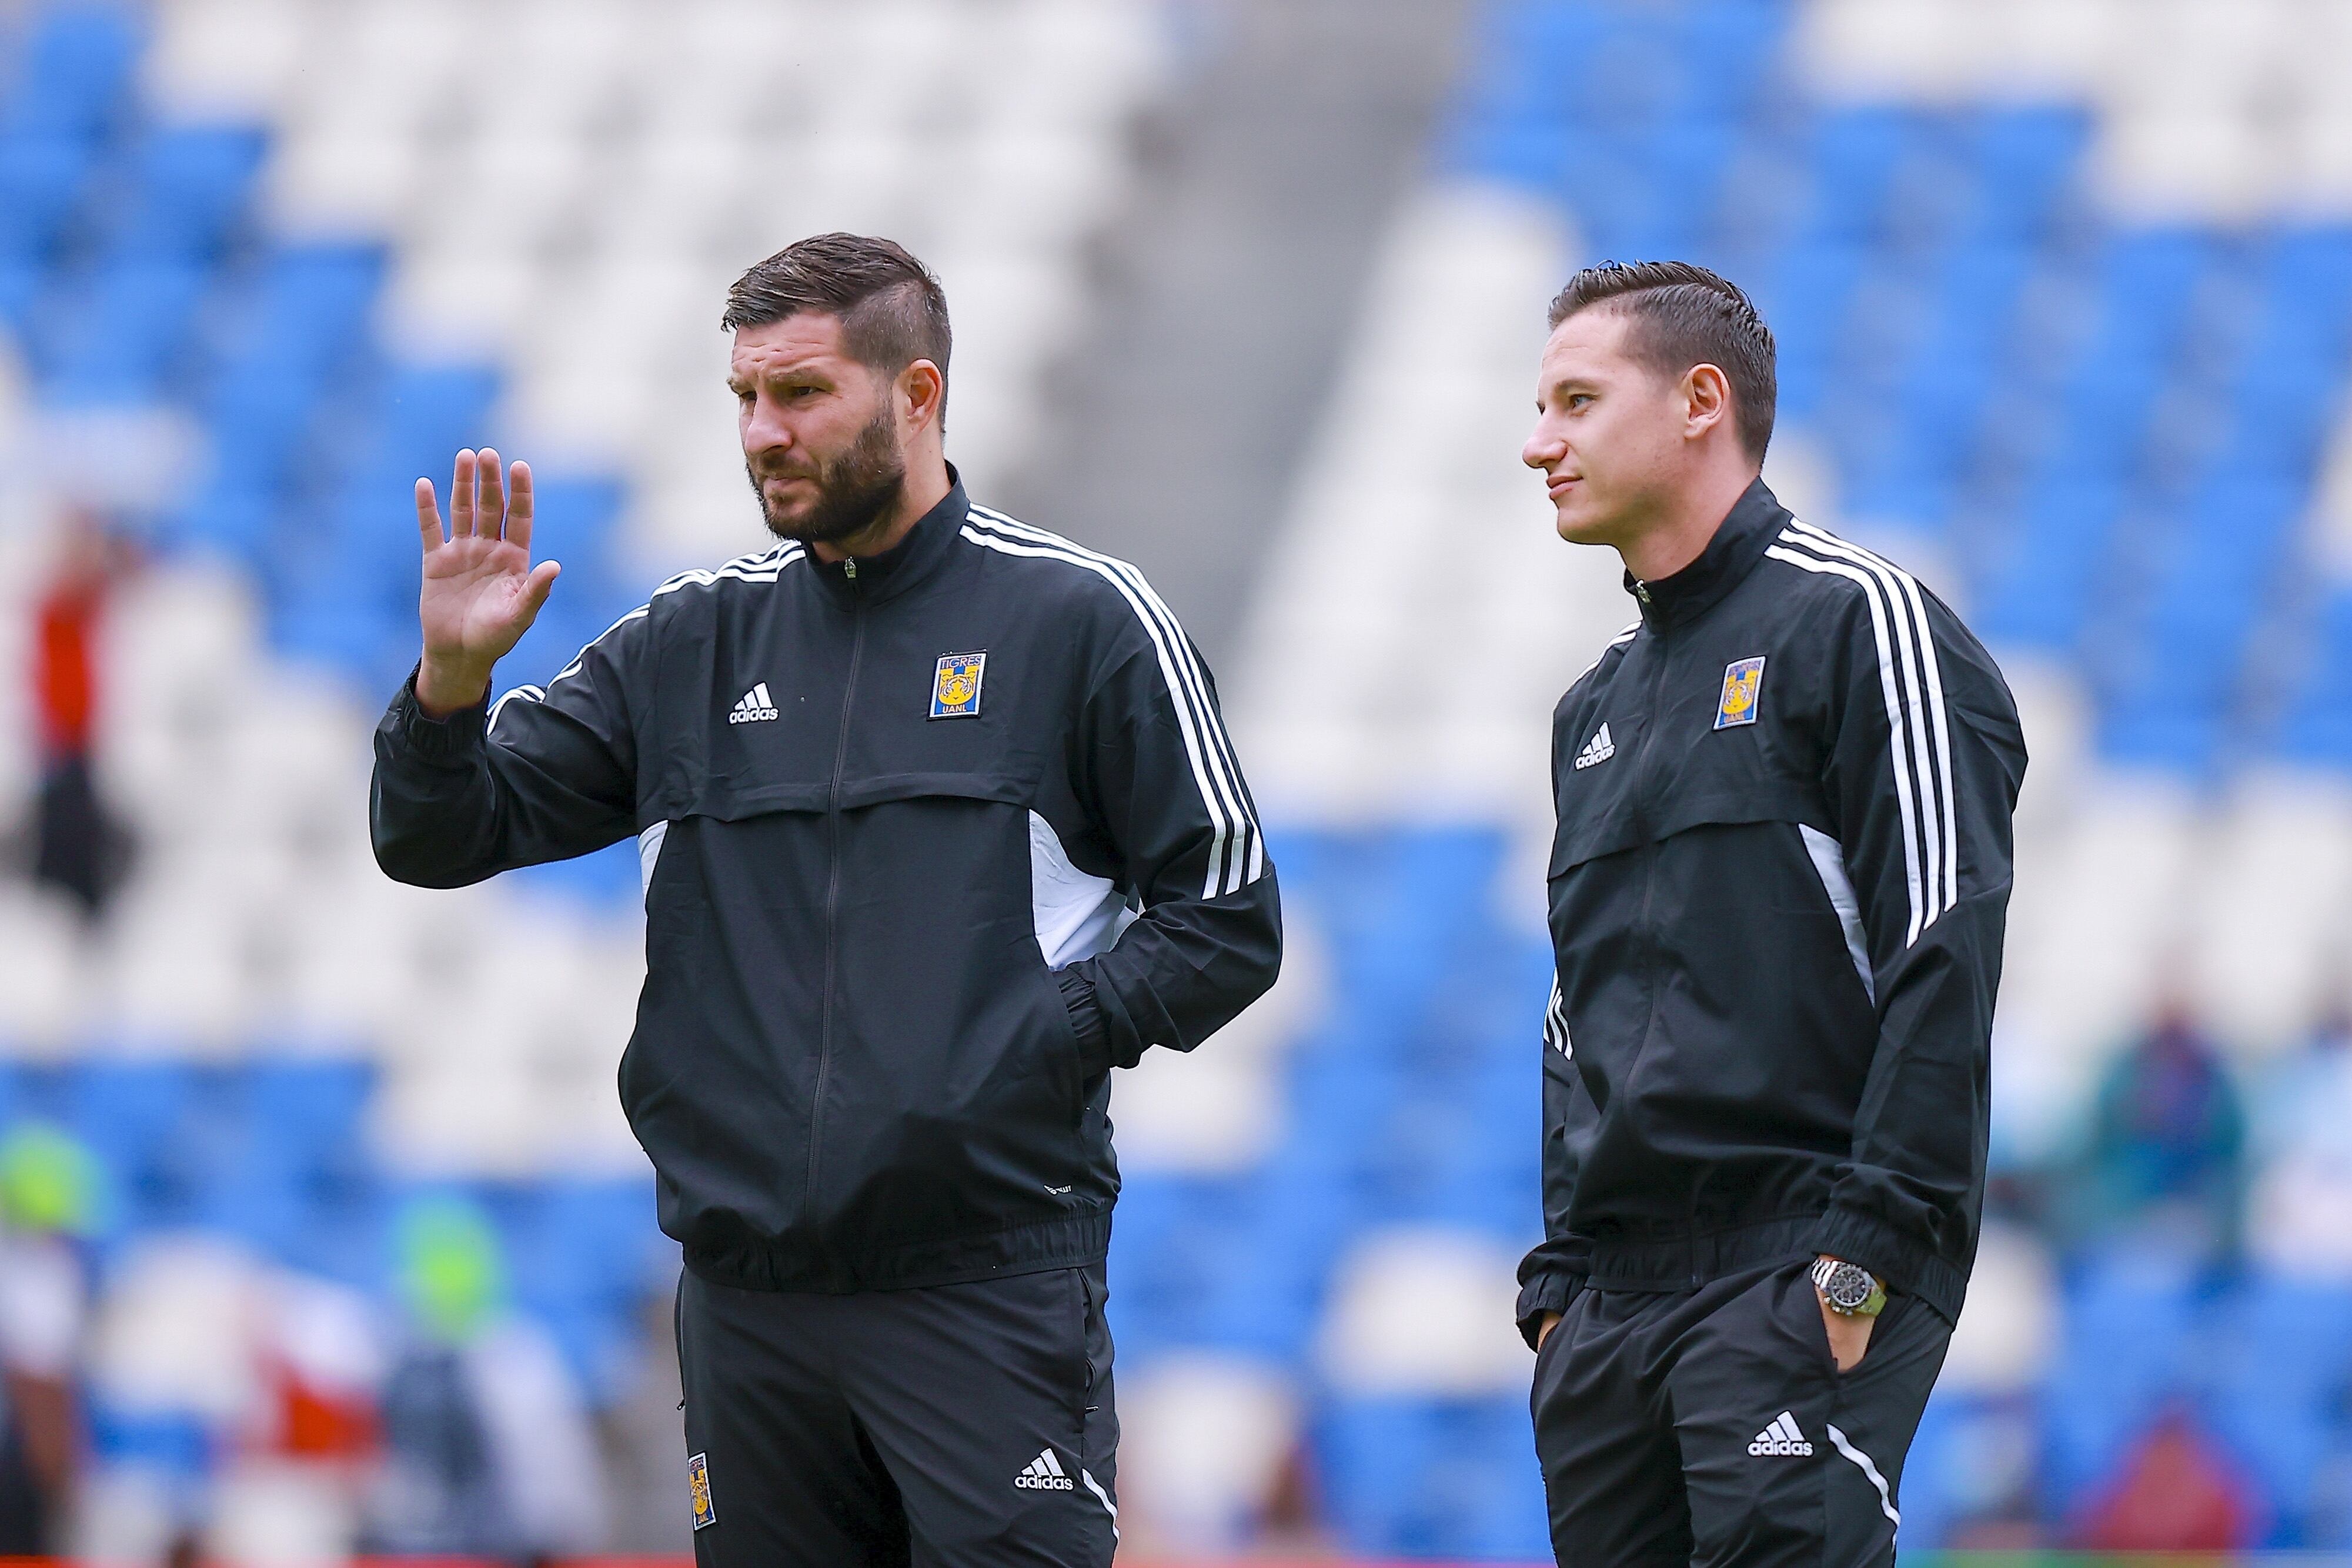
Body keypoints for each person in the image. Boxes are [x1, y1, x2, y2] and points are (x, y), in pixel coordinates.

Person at [369, 233, 1282, 1566]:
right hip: (747, 1307)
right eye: (743, 396)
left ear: (916, 395)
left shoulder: (1080, 620)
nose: (760, 431)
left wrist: (1014, 1043)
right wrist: (449, 688)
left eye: (799, 393)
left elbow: (1227, 916)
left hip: (980, 1283)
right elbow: (438, 836)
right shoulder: (687, 643)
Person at [1514, 260, 2026, 1567]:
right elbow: (1577, 1010)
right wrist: (1561, 1293)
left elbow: (1943, 951)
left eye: (1575, 400)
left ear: (1699, 401)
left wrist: (1861, 1254)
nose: (1538, 444)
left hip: (1797, 1266)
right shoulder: (1591, 707)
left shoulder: (1858, 621)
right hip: (1615, 1309)